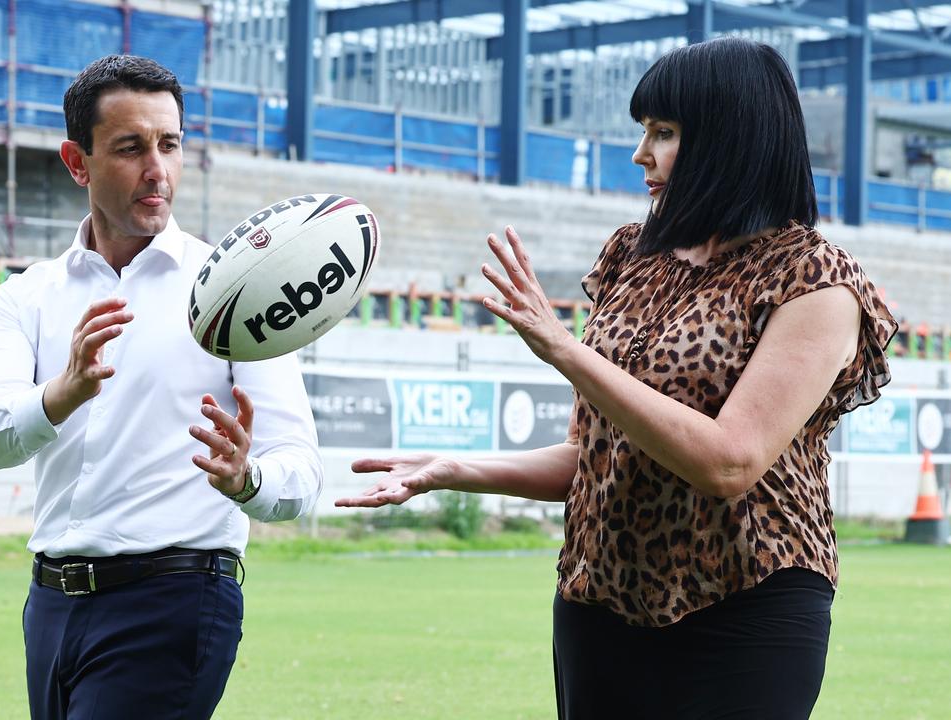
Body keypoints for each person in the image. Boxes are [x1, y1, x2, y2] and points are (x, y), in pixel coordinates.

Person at [338, 37, 896, 719]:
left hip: (749, 605)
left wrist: (567, 351)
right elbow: (594, 457)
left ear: (730, 136)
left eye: (663, 132)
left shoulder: (815, 280)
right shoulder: (633, 255)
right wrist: (453, 468)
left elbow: (730, 462)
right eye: (643, 132)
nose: (642, 154)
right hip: (599, 600)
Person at [0, 55, 322, 720]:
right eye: (130, 148)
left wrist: (247, 481)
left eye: (171, 144)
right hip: (49, 604)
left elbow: (299, 475)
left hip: (175, 601)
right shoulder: (26, 296)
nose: (158, 169)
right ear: (78, 163)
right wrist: (60, 395)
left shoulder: (239, 291)